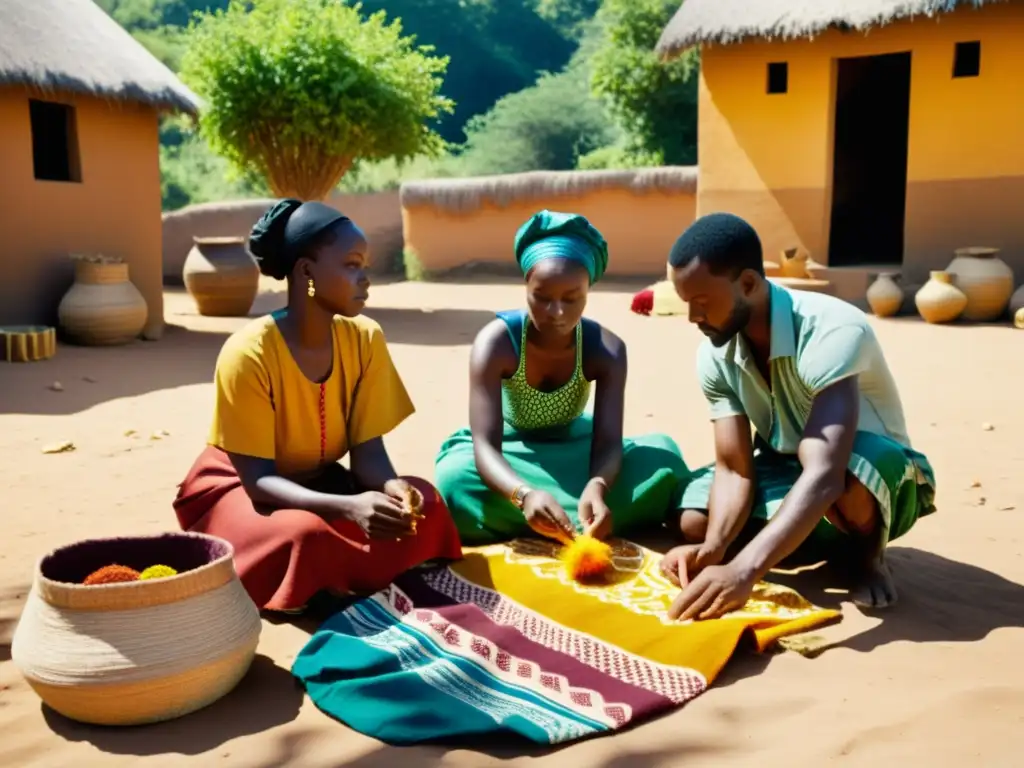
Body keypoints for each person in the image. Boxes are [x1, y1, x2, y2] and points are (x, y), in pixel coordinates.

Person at [173, 199, 462, 613]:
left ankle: (332, 577)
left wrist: (390, 487)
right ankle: (321, 574)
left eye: (364, 266)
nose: (365, 280)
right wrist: (348, 506)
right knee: (305, 537)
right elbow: (258, 481)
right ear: (307, 273)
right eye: (351, 265)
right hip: (243, 488)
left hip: (322, 484)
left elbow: (368, 457)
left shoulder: (364, 339)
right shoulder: (248, 352)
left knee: (426, 503)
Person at [660, 213, 936, 620]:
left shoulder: (831, 328)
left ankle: (866, 558)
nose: (693, 318)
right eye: (687, 304)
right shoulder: (714, 353)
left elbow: (825, 473)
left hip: (872, 472)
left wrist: (744, 569)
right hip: (789, 468)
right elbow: (735, 469)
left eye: (702, 303)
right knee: (693, 521)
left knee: (849, 482)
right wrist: (716, 550)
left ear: (749, 284)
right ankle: (806, 536)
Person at [434, 210, 691, 545]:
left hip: (579, 453)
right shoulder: (496, 343)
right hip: (512, 454)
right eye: (542, 297)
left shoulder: (606, 350)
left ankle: (566, 516)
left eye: (572, 298)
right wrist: (523, 496)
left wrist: (597, 486)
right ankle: (568, 519)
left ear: (588, 290)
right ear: (526, 285)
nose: (557, 312)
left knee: (662, 460)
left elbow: (609, 442)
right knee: (455, 480)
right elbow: (485, 447)